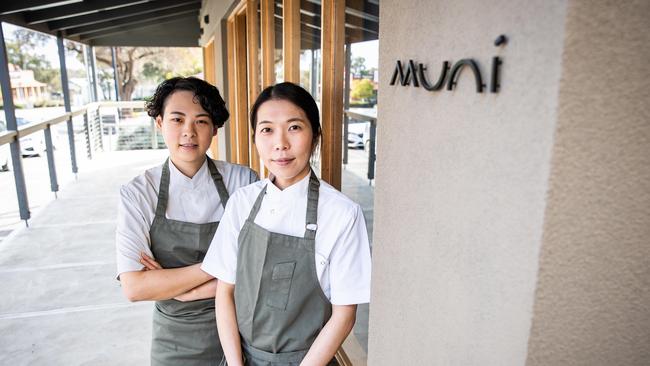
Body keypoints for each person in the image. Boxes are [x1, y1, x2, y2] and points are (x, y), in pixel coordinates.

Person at [201, 82, 372, 366]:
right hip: (241, 358)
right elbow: (225, 290)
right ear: (255, 137)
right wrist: (235, 363)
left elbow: (344, 314)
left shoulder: (342, 213)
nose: (280, 143)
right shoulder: (242, 203)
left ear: (315, 136)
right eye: (267, 129)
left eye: (294, 127)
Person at [115, 76, 258, 365]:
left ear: (215, 128)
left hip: (245, 332)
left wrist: (177, 287)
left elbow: (258, 271)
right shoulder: (138, 193)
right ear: (159, 123)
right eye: (177, 119)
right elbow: (135, 288)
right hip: (176, 341)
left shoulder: (242, 181)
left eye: (201, 121)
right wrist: (222, 267)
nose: (188, 132)